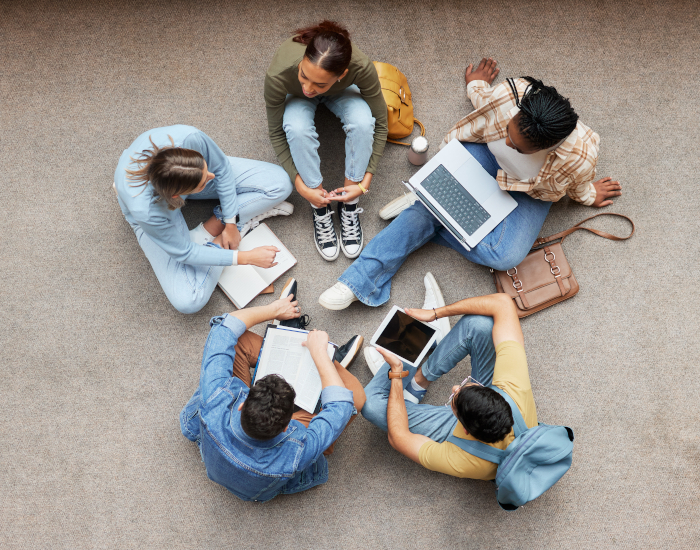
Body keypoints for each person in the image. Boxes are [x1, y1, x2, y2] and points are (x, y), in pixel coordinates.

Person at [318, 58, 622, 310]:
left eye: (517, 146)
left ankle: (428, 207)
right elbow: (484, 101)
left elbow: (577, 183)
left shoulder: (580, 157)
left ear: (547, 147)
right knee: (444, 213)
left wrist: (588, 194)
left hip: (530, 190)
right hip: (481, 155)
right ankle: (358, 279)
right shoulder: (512, 95)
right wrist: (476, 84)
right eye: (508, 131)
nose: (506, 141)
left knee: (505, 256)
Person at [180, 279, 366, 502]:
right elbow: (342, 406)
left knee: (238, 339)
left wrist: (273, 309)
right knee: (356, 394)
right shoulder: (295, 453)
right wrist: (320, 355)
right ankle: (323, 359)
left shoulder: (216, 399)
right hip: (271, 480)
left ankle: (292, 341)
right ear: (289, 425)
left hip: (214, 444)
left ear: (242, 403)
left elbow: (225, 329)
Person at [114, 125, 293, 314]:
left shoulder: (189, 138)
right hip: (157, 210)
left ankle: (216, 225)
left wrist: (231, 222)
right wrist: (245, 257)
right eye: (204, 181)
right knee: (189, 301)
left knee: (280, 184)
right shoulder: (147, 212)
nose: (212, 176)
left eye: (205, 168)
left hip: (182, 183)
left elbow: (221, 169)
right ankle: (217, 239)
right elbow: (185, 253)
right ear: (177, 196)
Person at [361, 292, 536, 481]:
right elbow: (502, 302)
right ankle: (417, 383)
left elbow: (398, 438)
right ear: (495, 393)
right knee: (480, 324)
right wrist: (436, 313)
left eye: (454, 399)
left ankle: (410, 353)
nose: (454, 387)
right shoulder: (513, 385)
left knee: (370, 404)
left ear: (464, 430)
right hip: (493, 417)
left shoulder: (464, 460)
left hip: (472, 442)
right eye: (465, 385)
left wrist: (396, 371)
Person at [265, 20, 388, 261]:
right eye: (304, 75)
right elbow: (276, 132)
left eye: (318, 83)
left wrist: (363, 184)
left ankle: (349, 199)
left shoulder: (360, 67)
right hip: (294, 98)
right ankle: (318, 203)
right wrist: (302, 187)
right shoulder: (279, 75)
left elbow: (381, 123)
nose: (309, 88)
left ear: (342, 74)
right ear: (301, 64)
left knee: (364, 123)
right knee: (296, 128)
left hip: (341, 92)